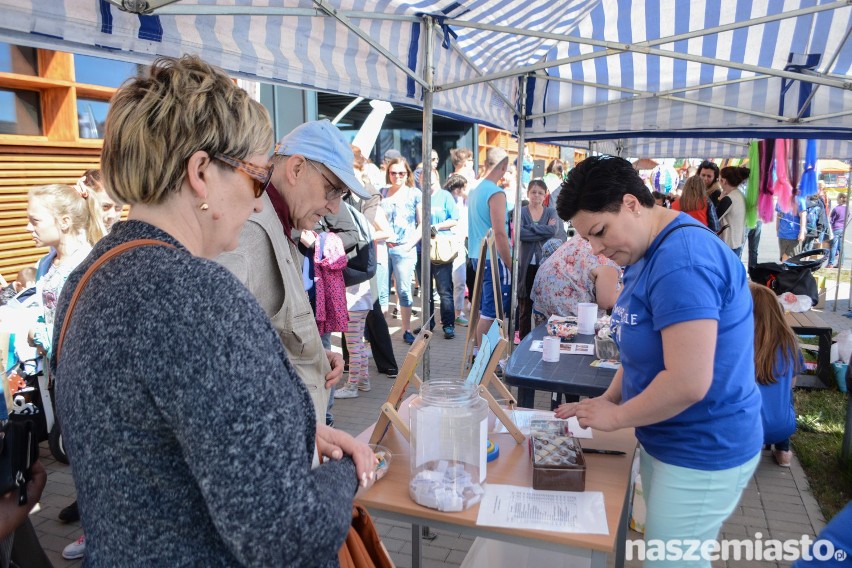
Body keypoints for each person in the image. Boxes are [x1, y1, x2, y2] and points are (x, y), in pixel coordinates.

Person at [52, 55, 376, 566]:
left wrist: (291, 433)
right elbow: (286, 537)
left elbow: (150, 438)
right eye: (254, 179)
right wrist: (349, 468)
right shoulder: (197, 295)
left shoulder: (87, 278)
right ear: (201, 172)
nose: (256, 203)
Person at [554, 156, 762, 567]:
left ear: (631, 203)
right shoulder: (644, 248)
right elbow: (640, 348)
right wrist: (611, 400)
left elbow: (687, 381)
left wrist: (617, 418)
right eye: (587, 240)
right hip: (668, 439)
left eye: (599, 232)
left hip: (702, 448)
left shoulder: (681, 261)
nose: (596, 249)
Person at [217, 119, 373, 424]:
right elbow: (226, 367)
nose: (333, 207)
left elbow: (264, 337)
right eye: (331, 190)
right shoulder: (249, 230)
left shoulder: (277, 221)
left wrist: (312, 354)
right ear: (296, 169)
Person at [749, 282, 801, 468]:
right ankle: (783, 451)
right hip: (781, 428)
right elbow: (792, 384)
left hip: (743, 430)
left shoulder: (737, 344)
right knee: (786, 391)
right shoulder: (790, 343)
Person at [467, 147, 511, 343]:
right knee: (491, 312)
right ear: (503, 167)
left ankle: (480, 355)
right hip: (492, 257)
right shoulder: (495, 192)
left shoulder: (476, 190)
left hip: (478, 255)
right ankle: (483, 359)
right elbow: (499, 232)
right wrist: (510, 262)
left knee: (486, 309)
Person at [531, 234, 620, 327]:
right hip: (571, 323)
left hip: (543, 313)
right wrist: (627, 284)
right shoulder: (606, 256)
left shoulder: (580, 238)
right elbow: (607, 302)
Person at [380, 157, 422, 344]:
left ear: (407, 174)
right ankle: (379, 334)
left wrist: (410, 244)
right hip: (382, 246)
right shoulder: (382, 192)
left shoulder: (414, 193)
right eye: (393, 172)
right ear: (388, 173)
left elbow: (422, 224)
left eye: (401, 173)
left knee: (404, 289)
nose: (397, 176)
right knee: (381, 293)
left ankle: (406, 329)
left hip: (404, 248)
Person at [517, 179, 559, 339]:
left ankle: (543, 340)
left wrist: (531, 228)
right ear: (528, 193)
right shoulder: (521, 211)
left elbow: (553, 231)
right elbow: (519, 233)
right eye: (533, 192)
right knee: (525, 307)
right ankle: (523, 341)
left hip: (544, 266)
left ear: (545, 195)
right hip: (526, 266)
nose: (536, 196)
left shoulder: (550, 212)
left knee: (544, 305)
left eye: (540, 193)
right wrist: (541, 231)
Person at [426, 169, 460, 339]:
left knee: (444, 289)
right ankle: (428, 323)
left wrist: (437, 227)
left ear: (437, 177)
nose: (427, 179)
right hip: (422, 248)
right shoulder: (421, 195)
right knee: (426, 290)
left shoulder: (445, 196)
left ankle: (448, 324)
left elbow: (455, 219)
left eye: (430, 175)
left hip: (441, 248)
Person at [717, 166, 749, 258]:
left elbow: (714, 218)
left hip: (728, 243)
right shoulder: (740, 195)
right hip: (737, 241)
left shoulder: (728, 199)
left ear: (724, 181)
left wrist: (720, 200)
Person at [776, 192, 808, 261]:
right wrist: (777, 229)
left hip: (794, 235)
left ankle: (793, 271)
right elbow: (778, 215)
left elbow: (803, 215)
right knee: (784, 259)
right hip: (782, 234)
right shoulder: (780, 199)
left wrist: (802, 232)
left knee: (793, 259)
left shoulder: (799, 199)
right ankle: (786, 271)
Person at [828, 193, 847, 267]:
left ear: (840, 199)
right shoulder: (847, 208)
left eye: (837, 198)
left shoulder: (836, 209)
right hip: (843, 229)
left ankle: (830, 264)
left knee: (833, 247)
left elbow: (831, 220)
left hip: (835, 229)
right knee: (841, 247)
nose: (836, 199)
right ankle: (840, 264)